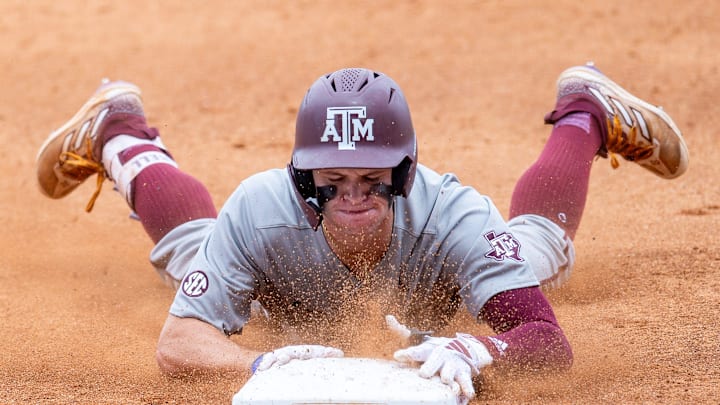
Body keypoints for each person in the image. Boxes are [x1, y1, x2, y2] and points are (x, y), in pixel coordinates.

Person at [35, 64, 688, 402]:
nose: (351, 197)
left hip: (449, 292)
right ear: (301, 176)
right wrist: (252, 362)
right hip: (272, 298)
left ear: (405, 172)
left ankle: (584, 111)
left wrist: (482, 350)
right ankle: (119, 132)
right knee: (189, 253)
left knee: (543, 254)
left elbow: (549, 342)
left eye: (371, 181)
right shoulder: (262, 207)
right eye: (331, 180)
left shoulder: (454, 216)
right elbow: (179, 343)